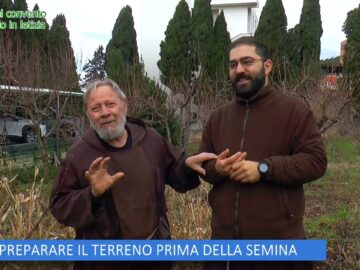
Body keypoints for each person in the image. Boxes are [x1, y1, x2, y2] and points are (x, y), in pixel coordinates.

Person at [50, 78, 217, 270]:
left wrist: (187, 165)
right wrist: (92, 194)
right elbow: (59, 205)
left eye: (110, 104)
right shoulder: (78, 155)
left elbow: (174, 170)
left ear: (124, 105)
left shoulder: (150, 139)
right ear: (88, 114)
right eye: (96, 108)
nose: (105, 113)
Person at [199, 37, 327, 270]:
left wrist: (264, 169)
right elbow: (204, 166)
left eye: (247, 62)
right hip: (224, 248)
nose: (239, 70)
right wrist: (217, 168)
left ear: (267, 66)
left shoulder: (294, 112)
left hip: (279, 247)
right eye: (233, 64)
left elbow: (316, 161)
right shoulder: (218, 117)